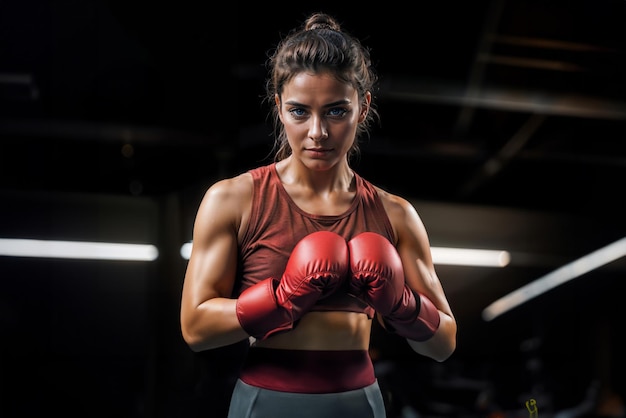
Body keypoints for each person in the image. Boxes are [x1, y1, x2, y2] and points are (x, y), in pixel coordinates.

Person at [180, 12, 457, 418]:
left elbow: (444, 343)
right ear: (278, 108)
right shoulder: (234, 199)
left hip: (360, 401)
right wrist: (285, 295)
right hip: (264, 400)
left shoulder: (395, 214)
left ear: (363, 109)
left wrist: (399, 304)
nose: (317, 132)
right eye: (299, 112)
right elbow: (195, 329)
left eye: (335, 111)